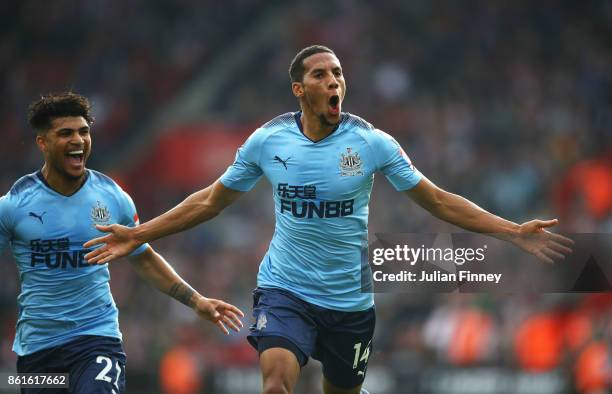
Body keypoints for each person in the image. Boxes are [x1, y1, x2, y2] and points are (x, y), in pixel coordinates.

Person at [84, 45, 573, 394]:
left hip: (350, 301)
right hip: (285, 289)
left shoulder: (372, 143)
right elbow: (210, 201)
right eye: (321, 74)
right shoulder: (267, 141)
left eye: (338, 73)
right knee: (276, 379)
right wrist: (141, 233)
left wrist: (511, 231)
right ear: (300, 89)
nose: (334, 81)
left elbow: (439, 200)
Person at [0, 92, 244, 394]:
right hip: (36, 352)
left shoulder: (112, 197)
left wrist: (196, 301)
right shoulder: (14, 205)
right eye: (66, 133)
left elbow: (142, 256)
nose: (78, 140)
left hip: (96, 339)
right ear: (43, 143)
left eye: (83, 131)